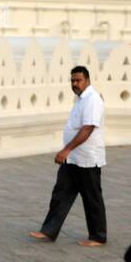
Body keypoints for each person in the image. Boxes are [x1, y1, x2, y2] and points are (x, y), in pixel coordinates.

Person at [30, 66, 107, 246]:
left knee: (91, 197)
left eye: (78, 80)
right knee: (61, 193)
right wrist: (69, 152)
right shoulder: (81, 99)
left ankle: (98, 237)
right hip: (74, 158)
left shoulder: (92, 100)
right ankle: (49, 231)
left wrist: (66, 149)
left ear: (87, 80)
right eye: (72, 80)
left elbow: (87, 128)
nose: (74, 84)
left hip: (87, 158)